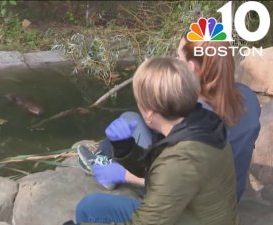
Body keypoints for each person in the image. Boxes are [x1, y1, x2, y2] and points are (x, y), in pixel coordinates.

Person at [78, 38, 261, 202]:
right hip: (230, 197)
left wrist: (124, 175)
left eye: (178, 57)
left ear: (192, 67)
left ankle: (103, 161)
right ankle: (106, 151)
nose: (174, 62)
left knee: (130, 119)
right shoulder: (248, 97)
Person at [65, 57, 239, 225]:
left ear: (149, 113)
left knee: (87, 212)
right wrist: (125, 148)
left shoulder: (179, 162)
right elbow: (159, 171)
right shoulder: (202, 123)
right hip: (193, 214)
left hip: (184, 217)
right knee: (89, 207)